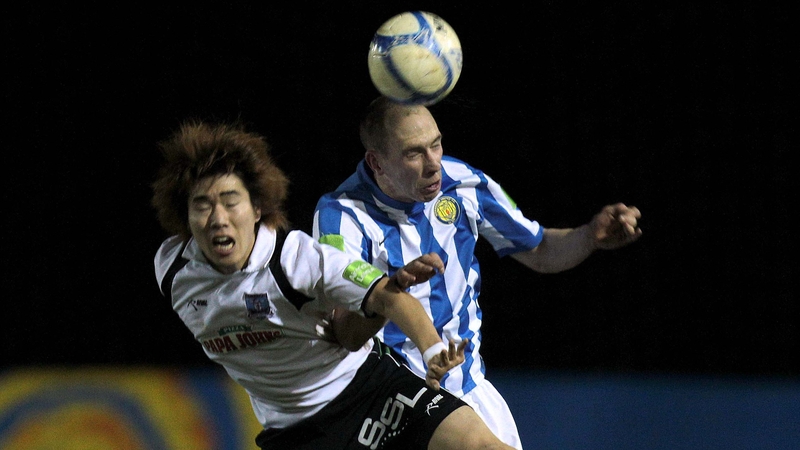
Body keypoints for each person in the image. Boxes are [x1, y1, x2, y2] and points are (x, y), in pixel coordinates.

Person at [151, 119, 518, 450]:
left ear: (258, 209)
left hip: (371, 389)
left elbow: (389, 298)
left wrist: (433, 352)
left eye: (231, 202)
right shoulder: (172, 272)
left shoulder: (296, 261)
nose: (218, 219)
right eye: (202, 205)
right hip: (298, 434)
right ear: (184, 213)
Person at [312, 96, 644, 449]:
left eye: (436, 144)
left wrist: (589, 236)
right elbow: (344, 331)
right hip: (388, 408)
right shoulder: (341, 216)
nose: (433, 164)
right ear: (376, 163)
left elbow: (540, 250)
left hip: (470, 394)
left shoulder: (463, 183)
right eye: (414, 153)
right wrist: (393, 289)